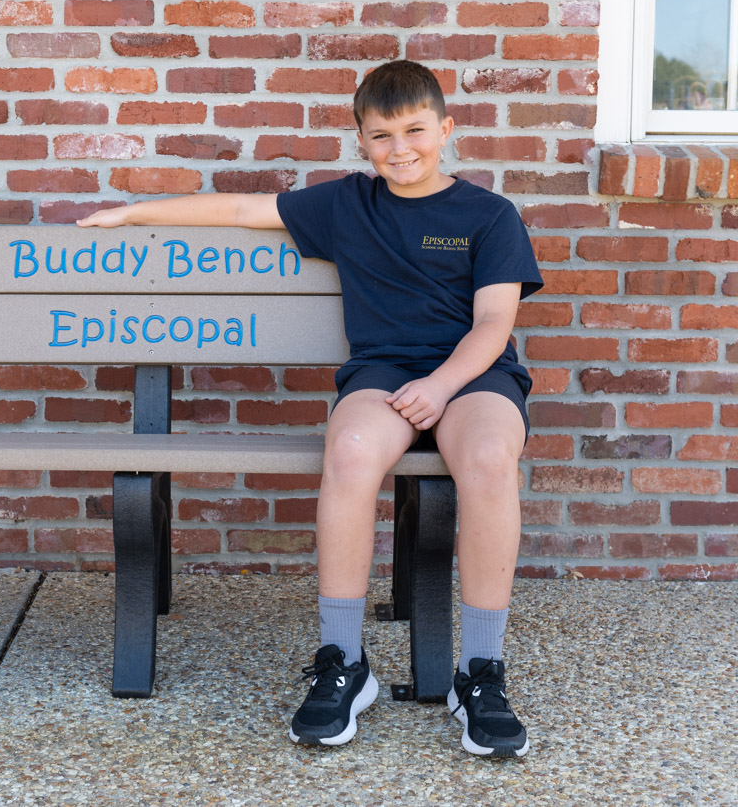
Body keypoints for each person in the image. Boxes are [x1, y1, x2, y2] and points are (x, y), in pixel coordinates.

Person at [78, 60, 543, 758]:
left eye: (416, 130)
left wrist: (442, 386)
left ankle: (480, 673)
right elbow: (241, 210)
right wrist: (131, 212)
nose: (401, 148)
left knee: (485, 456)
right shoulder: (347, 204)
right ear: (361, 141)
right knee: (351, 449)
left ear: (446, 129)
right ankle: (342, 662)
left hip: (473, 379)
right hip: (382, 373)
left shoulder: (489, 215)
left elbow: (492, 324)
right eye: (381, 135)